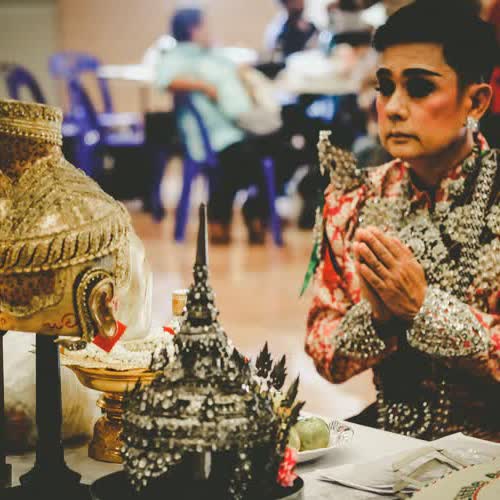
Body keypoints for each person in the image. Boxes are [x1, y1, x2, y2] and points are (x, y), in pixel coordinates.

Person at [305, 0, 500, 441]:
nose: (393, 107)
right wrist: (378, 318)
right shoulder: (353, 199)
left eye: (419, 88)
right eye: (384, 87)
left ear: (475, 101)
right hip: (391, 441)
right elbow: (324, 348)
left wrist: (424, 308)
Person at [156, 8, 294, 244]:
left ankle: (254, 210)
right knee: (248, 157)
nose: (209, 31)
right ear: (193, 30)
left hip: (239, 127)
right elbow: (164, 80)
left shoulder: (211, 54)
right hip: (216, 137)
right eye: (205, 26)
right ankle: (234, 215)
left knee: (286, 150)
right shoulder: (178, 56)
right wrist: (202, 86)